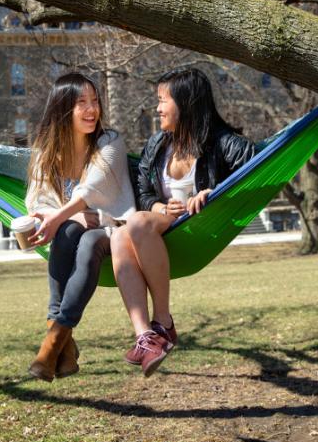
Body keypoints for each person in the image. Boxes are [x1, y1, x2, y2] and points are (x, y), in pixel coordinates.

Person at [111, 68, 255, 377]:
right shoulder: (157, 144)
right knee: (119, 236)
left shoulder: (224, 144)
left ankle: (163, 322)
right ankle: (146, 336)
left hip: (199, 229)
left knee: (134, 225)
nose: (158, 108)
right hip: (162, 227)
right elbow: (142, 189)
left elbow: (254, 172)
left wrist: (213, 194)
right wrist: (160, 205)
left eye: (163, 100)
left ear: (186, 103)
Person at [25, 73, 135, 382]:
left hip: (114, 225)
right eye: (81, 103)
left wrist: (63, 216)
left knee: (84, 240)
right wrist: (69, 218)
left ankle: (55, 340)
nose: (92, 110)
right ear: (63, 109)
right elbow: (37, 202)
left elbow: (92, 191)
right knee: (70, 232)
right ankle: (65, 349)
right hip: (70, 233)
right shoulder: (44, 155)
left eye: (95, 101)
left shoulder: (109, 142)